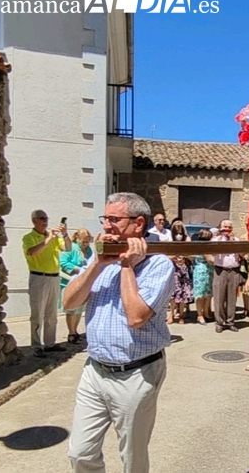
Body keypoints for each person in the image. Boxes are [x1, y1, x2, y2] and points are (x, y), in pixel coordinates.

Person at [63, 192, 173, 473]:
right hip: (95, 371)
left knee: (132, 458)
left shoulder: (159, 265)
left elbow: (136, 317)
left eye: (114, 219)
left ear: (138, 224)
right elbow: (69, 302)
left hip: (136, 374)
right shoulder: (101, 258)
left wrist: (126, 265)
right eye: (105, 218)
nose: (107, 225)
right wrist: (98, 264)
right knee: (80, 453)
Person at [22, 210, 71, 357]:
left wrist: (65, 234)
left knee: (51, 313)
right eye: (42, 218)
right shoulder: (29, 238)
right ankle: (36, 345)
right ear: (34, 221)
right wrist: (49, 239)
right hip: (39, 277)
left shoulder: (53, 237)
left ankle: (50, 343)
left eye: (46, 218)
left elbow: (67, 248)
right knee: (37, 313)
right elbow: (33, 252)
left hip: (54, 277)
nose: (45, 221)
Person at [60, 229, 94, 344]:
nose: (86, 244)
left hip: (83, 281)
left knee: (80, 308)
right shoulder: (72, 247)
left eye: (87, 241)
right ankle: (71, 333)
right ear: (77, 239)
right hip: (70, 280)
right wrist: (79, 269)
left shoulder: (88, 250)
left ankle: (75, 331)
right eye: (83, 241)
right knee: (72, 309)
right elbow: (63, 262)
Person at [212, 219, 242, 333]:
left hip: (233, 271)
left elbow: (242, 254)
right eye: (225, 227)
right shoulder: (215, 240)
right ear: (220, 228)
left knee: (232, 298)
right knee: (219, 298)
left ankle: (230, 322)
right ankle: (219, 323)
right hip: (220, 270)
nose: (227, 229)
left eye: (229, 227)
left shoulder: (237, 240)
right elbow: (211, 253)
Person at [167, 220, 193, 324]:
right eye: (176, 227)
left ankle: (181, 315)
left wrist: (184, 256)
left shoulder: (187, 239)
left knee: (183, 292)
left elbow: (191, 255)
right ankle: (171, 315)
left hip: (184, 268)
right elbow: (166, 256)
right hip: (174, 269)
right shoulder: (170, 239)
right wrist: (173, 257)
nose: (178, 229)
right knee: (174, 293)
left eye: (180, 227)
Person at [192, 229, 215, 325]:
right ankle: (200, 315)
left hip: (208, 271)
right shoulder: (204, 247)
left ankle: (206, 313)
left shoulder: (202, 246)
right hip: (202, 272)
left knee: (208, 294)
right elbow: (211, 260)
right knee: (200, 294)